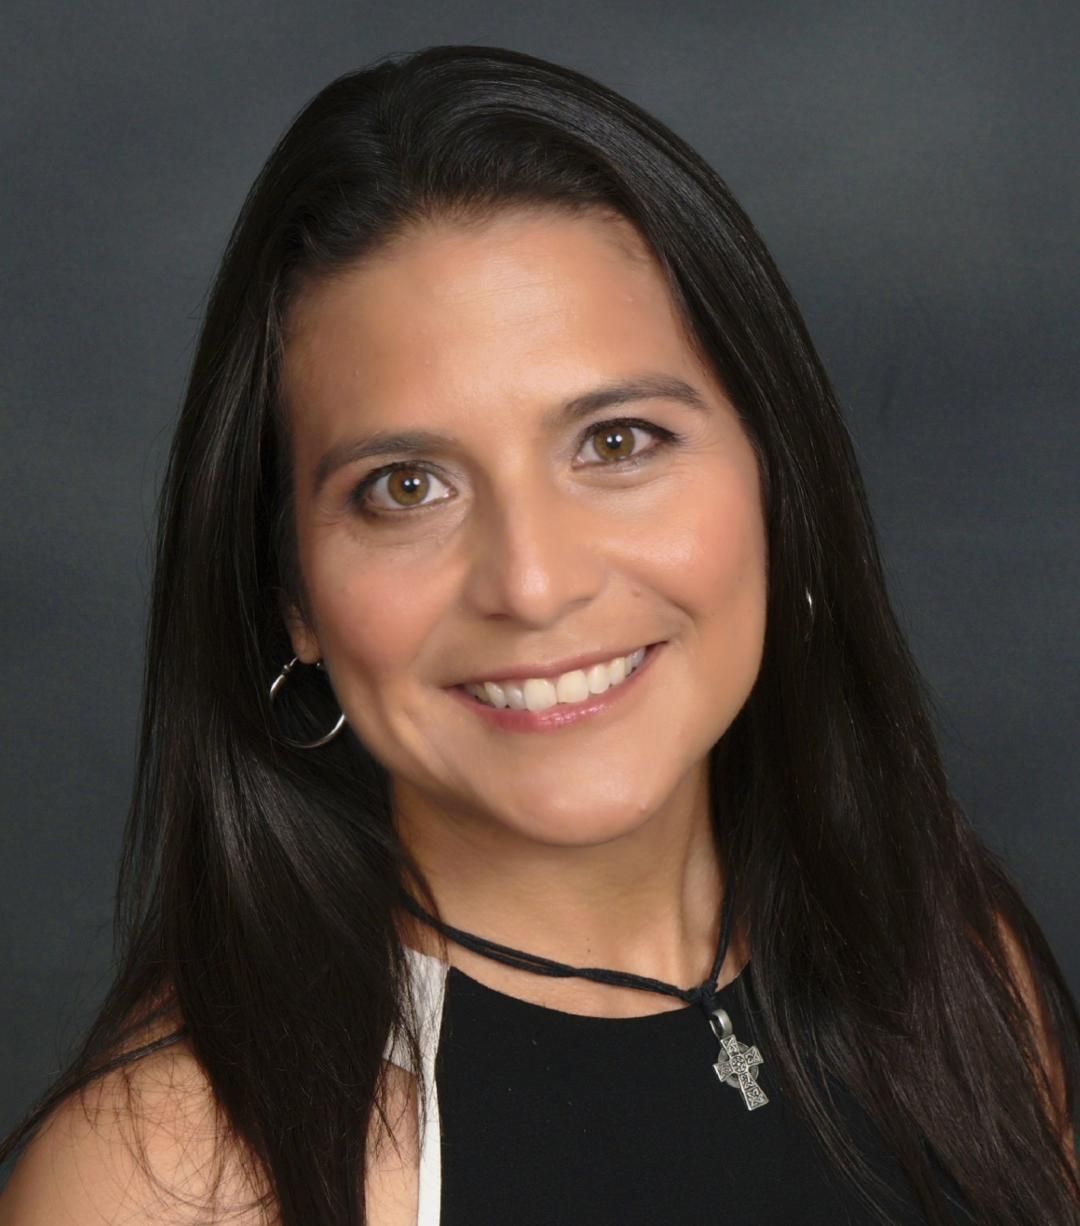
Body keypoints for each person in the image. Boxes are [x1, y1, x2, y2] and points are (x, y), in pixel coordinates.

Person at [0, 43, 1077, 1226]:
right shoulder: (181, 1175)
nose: (533, 580)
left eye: (615, 442)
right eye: (406, 486)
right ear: (291, 594)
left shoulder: (958, 975)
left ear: (778, 479)